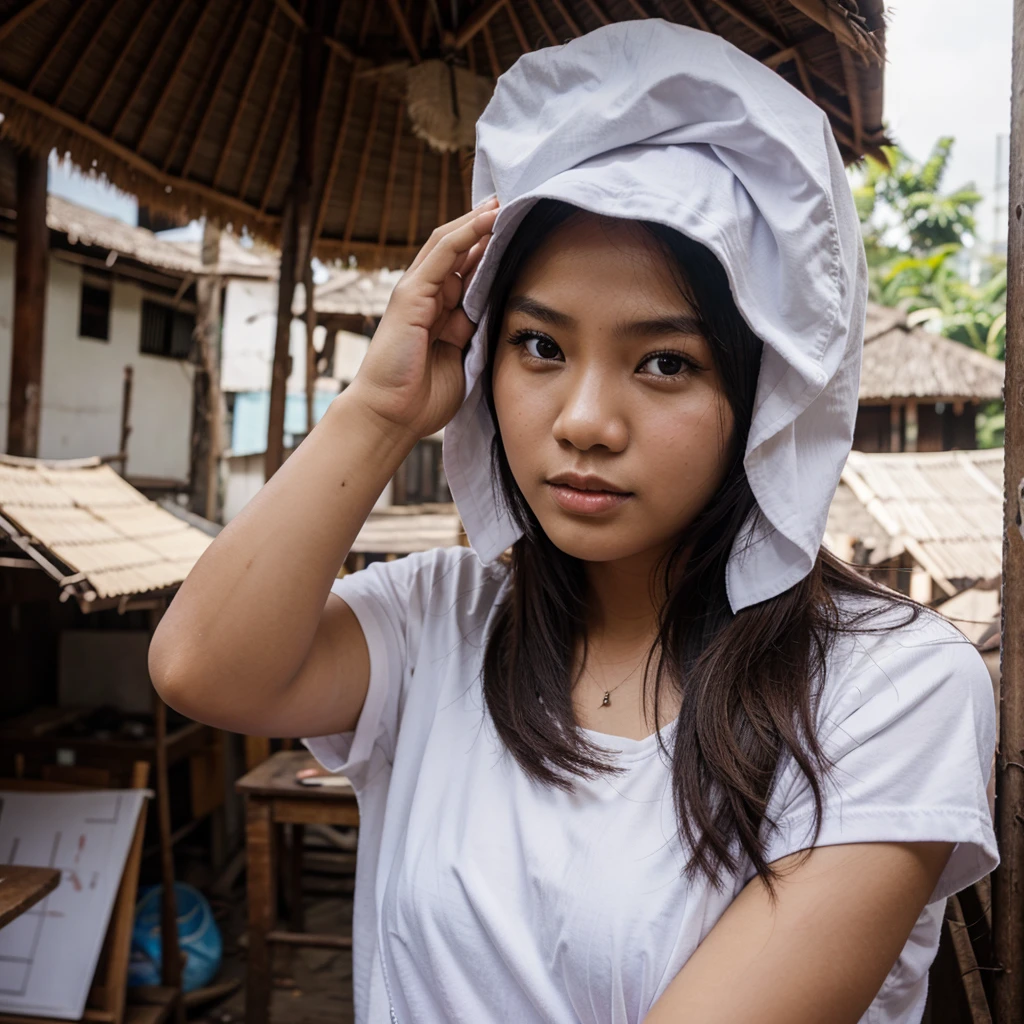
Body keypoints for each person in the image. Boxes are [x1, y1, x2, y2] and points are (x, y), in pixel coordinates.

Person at [149, 21, 998, 1024]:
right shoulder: (439, 621)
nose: (584, 421)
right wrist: (376, 411)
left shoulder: (883, 685)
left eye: (664, 361)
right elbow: (201, 666)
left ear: (766, 394)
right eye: (539, 345)